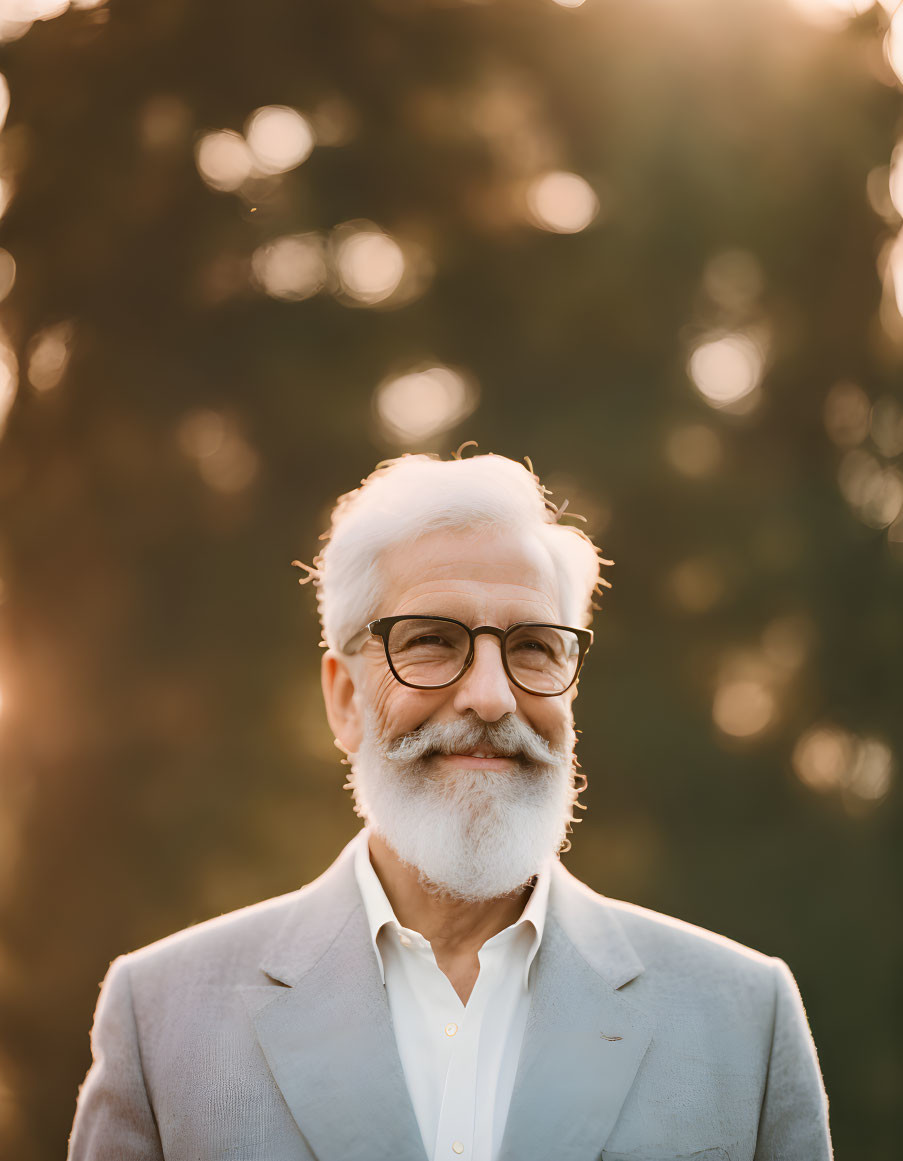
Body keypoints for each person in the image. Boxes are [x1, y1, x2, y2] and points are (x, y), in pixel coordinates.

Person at [68, 452, 833, 1161]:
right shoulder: (161, 1019)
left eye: (534, 646)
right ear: (344, 699)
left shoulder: (743, 1020)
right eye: (433, 640)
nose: (492, 696)